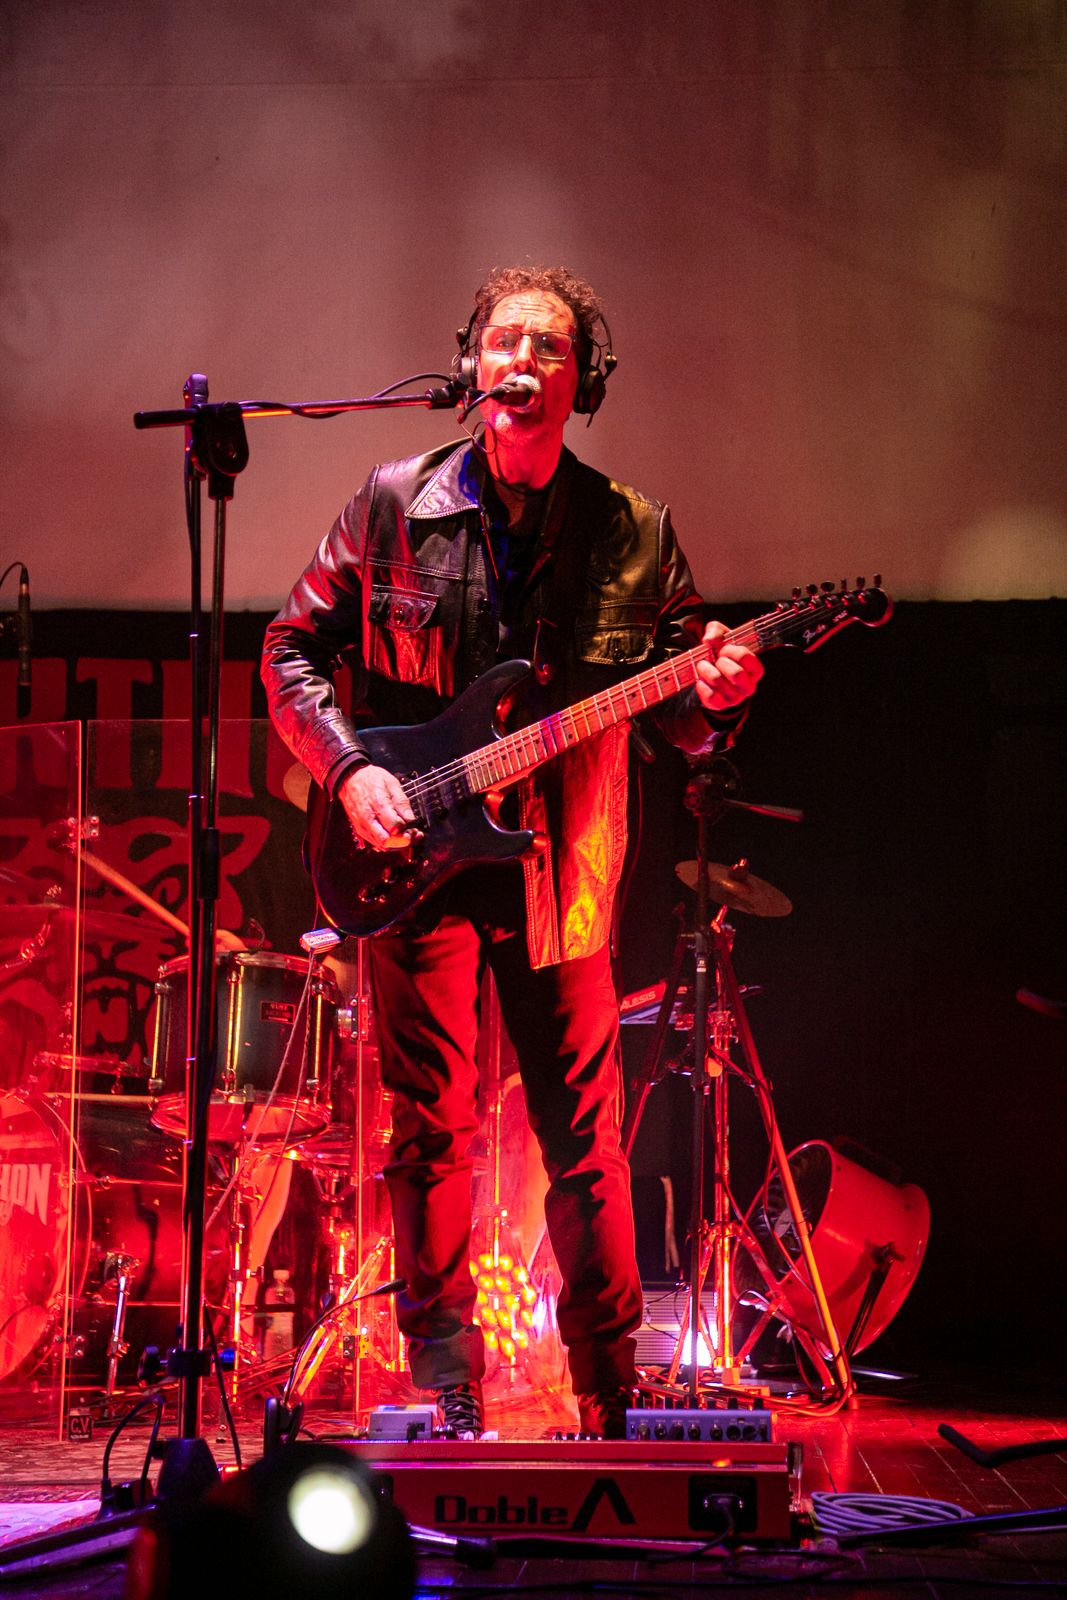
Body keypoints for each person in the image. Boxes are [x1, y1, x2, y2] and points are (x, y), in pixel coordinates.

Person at [261, 265, 763, 1438]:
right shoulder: (392, 503)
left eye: (548, 347)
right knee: (427, 1125)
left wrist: (720, 700)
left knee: (582, 1139)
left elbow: (679, 716)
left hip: (560, 864)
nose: (522, 362)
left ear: (582, 383)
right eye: (503, 343)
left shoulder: (631, 531)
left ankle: (607, 1387)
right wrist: (350, 769)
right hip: (415, 858)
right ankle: (445, 1378)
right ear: (469, 365)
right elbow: (290, 650)